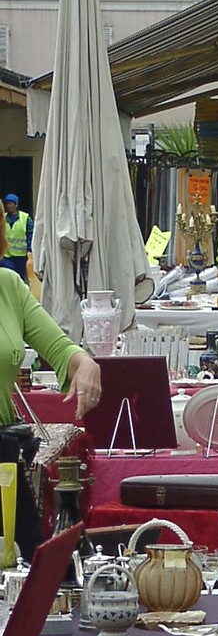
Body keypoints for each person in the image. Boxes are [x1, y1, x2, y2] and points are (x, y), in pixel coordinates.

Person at [0, 212, 102, 558]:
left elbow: (60, 348)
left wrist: (84, 363)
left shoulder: (9, 286)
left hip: (3, 461)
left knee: (32, 570)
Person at [3, 193, 33, 283]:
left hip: (21, 256)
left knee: (19, 279)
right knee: (8, 278)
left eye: (11, 203)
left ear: (16, 205)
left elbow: (30, 236)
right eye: (7, 204)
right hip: (6, 256)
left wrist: (29, 252)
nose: (8, 206)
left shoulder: (26, 219)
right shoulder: (2, 218)